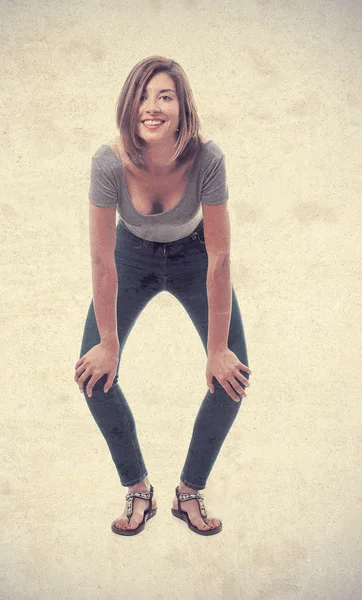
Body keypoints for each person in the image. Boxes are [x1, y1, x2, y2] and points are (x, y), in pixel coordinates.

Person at [74, 55, 251, 536]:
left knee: (233, 374)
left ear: (182, 106)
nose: (152, 107)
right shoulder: (107, 162)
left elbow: (219, 258)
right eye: (143, 96)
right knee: (93, 373)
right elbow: (102, 259)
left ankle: (189, 493)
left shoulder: (207, 159)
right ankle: (139, 491)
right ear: (129, 105)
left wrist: (218, 351)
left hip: (196, 259)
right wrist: (107, 342)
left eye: (165, 96)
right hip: (130, 258)